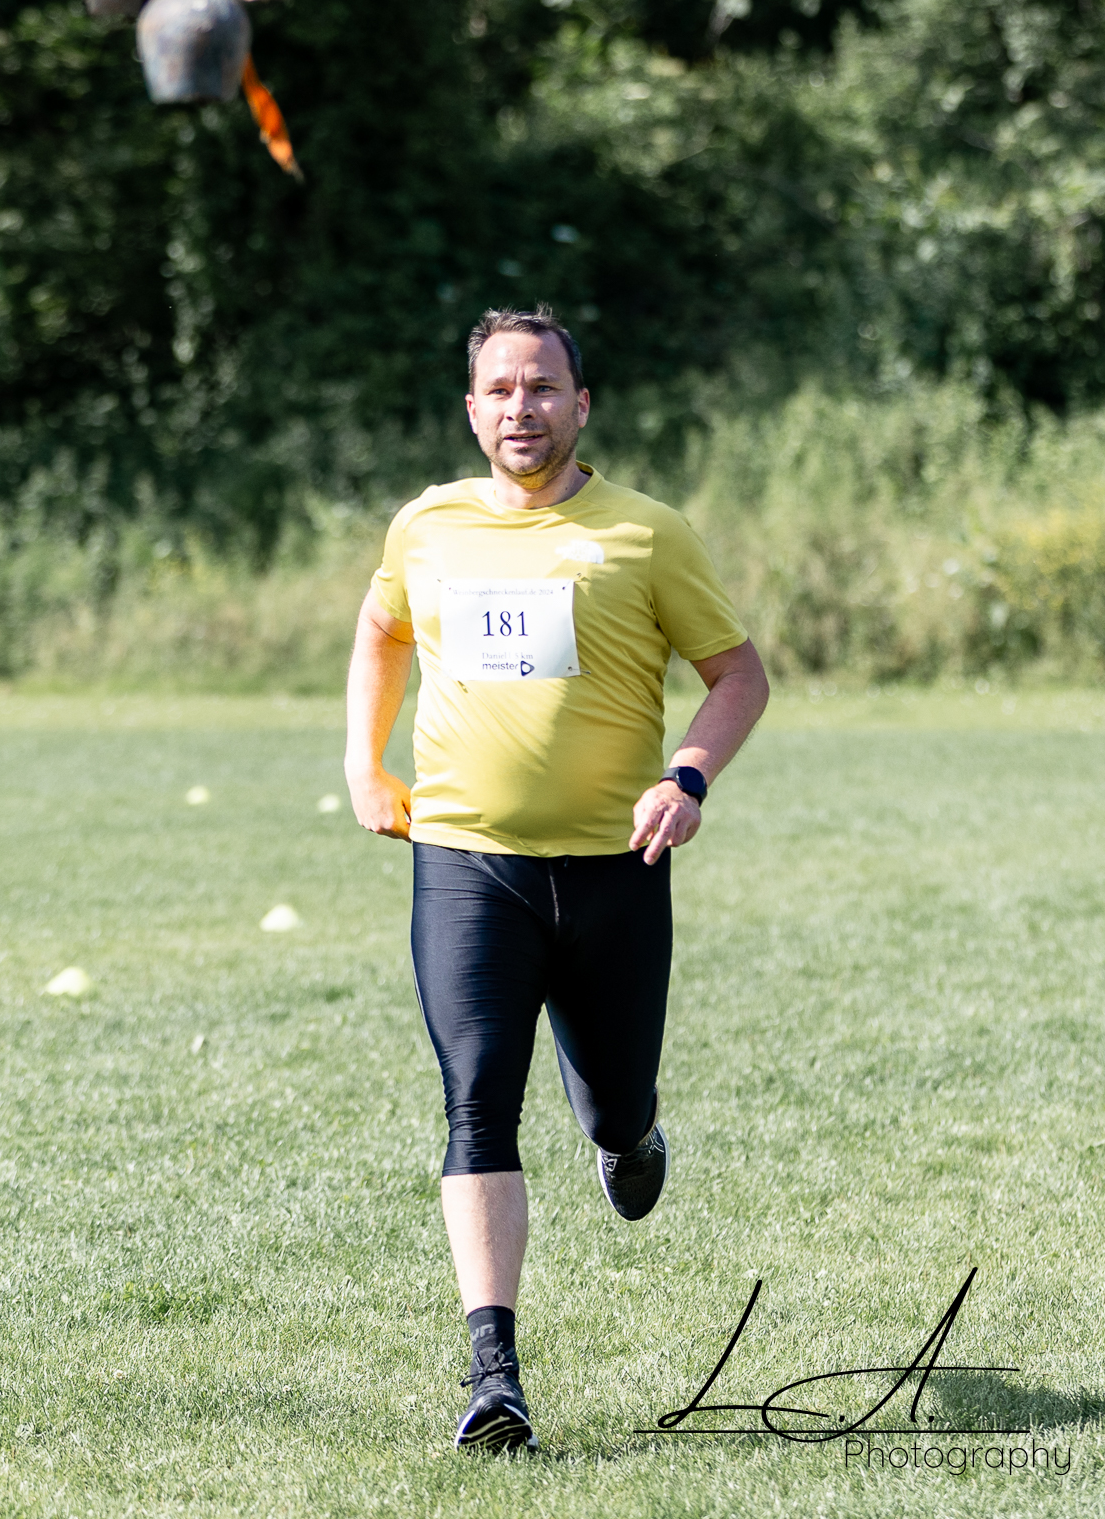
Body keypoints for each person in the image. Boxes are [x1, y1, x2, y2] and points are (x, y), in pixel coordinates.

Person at [344, 304, 768, 1453]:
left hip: (615, 870)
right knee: (476, 1098)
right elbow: (381, 631)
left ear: (581, 404)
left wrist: (686, 777)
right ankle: (494, 1374)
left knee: (615, 1102)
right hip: (465, 864)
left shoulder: (644, 533)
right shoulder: (426, 526)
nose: (519, 408)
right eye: (499, 389)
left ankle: (628, 1132)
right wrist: (364, 763)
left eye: (541, 387)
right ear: (469, 409)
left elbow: (736, 676)